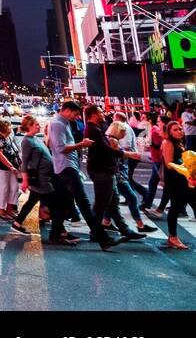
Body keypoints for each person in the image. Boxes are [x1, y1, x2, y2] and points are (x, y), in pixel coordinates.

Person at [48, 100, 118, 250]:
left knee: (61, 204)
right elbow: (61, 148)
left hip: (65, 167)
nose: (78, 117)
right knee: (84, 203)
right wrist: (82, 144)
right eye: (75, 114)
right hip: (66, 168)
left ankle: (55, 234)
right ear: (66, 110)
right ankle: (102, 238)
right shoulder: (57, 124)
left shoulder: (64, 123)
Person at [84, 105, 146, 242]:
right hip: (101, 171)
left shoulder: (96, 128)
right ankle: (96, 233)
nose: (103, 114)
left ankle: (125, 230)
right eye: (100, 112)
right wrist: (128, 154)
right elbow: (106, 150)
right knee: (101, 203)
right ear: (94, 114)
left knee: (112, 203)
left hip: (105, 170)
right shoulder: (93, 129)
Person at [14, 114, 56, 237]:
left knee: (31, 202)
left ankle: (17, 223)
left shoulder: (35, 138)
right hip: (40, 179)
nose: (39, 126)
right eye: (37, 124)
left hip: (44, 177)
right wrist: (25, 181)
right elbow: (25, 162)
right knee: (54, 203)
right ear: (30, 126)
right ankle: (59, 230)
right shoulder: (27, 141)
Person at [159, 119, 194, 250]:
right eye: (175, 129)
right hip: (175, 181)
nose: (179, 131)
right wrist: (186, 166)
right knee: (175, 208)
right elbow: (169, 164)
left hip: (183, 180)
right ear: (169, 132)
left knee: (178, 207)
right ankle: (173, 237)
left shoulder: (179, 143)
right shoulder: (168, 143)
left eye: (180, 129)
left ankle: (172, 237)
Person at [0, 119, 22, 223]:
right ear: (4, 128)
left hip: (12, 167)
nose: (11, 128)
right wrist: (10, 166)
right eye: (9, 126)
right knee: (3, 188)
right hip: (0, 167)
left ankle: (10, 209)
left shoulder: (7, 137)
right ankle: (2, 211)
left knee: (14, 187)